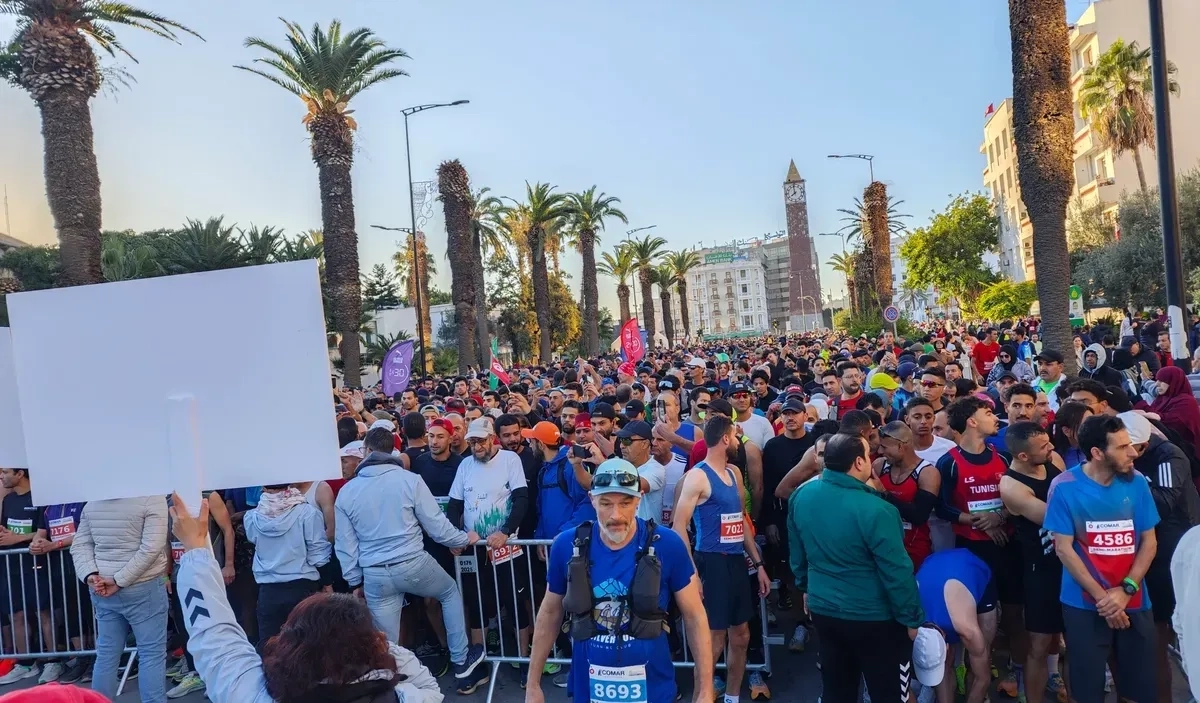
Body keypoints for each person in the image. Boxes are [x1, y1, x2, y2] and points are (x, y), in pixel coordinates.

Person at [167, 494, 444, 703]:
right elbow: (431, 689)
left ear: (292, 645)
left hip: (271, 589)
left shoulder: (254, 694)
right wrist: (381, 647)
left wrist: (195, 550)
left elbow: (214, 639)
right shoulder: (404, 697)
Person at [524, 458, 714, 703]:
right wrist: (532, 685)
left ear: (639, 500)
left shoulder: (667, 544)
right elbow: (549, 613)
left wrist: (705, 690)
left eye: (625, 503)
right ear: (592, 500)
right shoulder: (567, 545)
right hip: (590, 689)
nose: (616, 515)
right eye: (605, 503)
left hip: (652, 688)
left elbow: (695, 617)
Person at [334, 426, 486, 692]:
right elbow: (436, 525)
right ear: (393, 451)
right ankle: (461, 662)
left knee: (386, 640)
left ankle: (390, 687)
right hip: (413, 562)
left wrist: (354, 579)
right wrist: (463, 540)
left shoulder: (348, 491)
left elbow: (345, 544)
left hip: (375, 572)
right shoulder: (409, 480)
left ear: (366, 451)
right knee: (449, 592)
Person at [788, 432, 925, 702]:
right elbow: (897, 571)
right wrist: (911, 617)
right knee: (888, 694)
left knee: (837, 691)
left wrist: (806, 587)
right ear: (860, 463)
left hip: (824, 611)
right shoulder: (878, 509)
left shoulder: (801, 496)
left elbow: (797, 555)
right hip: (875, 618)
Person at [1044, 415, 1160, 703]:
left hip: (1134, 600)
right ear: (1097, 453)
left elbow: (1149, 542)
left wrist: (1126, 590)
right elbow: (1063, 549)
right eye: (1122, 447)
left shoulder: (1137, 484)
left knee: (1138, 690)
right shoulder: (1064, 486)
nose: (1133, 452)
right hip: (1084, 604)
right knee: (1087, 691)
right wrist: (1106, 601)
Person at [672, 416, 771, 703]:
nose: (739, 440)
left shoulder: (734, 474)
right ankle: (702, 697)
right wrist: (691, 574)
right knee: (713, 640)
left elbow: (741, 520)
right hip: (710, 562)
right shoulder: (698, 476)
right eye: (736, 435)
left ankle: (731, 697)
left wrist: (759, 564)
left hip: (736, 561)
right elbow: (679, 527)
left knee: (741, 636)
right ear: (726, 439)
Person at [934, 396, 1027, 697]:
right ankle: (973, 674)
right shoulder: (949, 462)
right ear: (972, 422)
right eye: (988, 412)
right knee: (973, 623)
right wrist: (974, 520)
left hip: (1006, 546)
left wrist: (998, 517)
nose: (994, 416)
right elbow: (941, 508)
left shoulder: (1001, 457)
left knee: (1013, 615)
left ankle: (1017, 671)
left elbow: (1017, 500)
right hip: (971, 552)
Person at [447, 417, 531, 693]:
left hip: (507, 547)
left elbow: (521, 499)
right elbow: (455, 505)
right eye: (472, 442)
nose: (476, 446)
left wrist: (506, 530)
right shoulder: (464, 465)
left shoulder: (509, 460)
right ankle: (479, 664)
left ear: (492, 438)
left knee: (514, 601)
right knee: (477, 604)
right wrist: (457, 535)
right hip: (475, 550)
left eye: (481, 441)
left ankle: (522, 661)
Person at [1121, 411, 1200, 703]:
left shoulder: (1168, 456)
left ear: (1140, 444)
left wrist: (1132, 476)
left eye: (1127, 447)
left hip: (1177, 549)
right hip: (1153, 551)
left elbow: (1164, 502)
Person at [70, 493, 170, 702]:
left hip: (102, 587)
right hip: (142, 586)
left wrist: (90, 575)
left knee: (107, 654)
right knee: (151, 654)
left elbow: (80, 545)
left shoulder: (93, 500)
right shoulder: (153, 498)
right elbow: (152, 548)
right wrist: (119, 580)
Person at [998, 422, 1067, 703]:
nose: (1051, 447)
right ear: (1023, 456)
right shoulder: (1011, 485)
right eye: (1044, 446)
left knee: (1072, 642)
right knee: (1038, 644)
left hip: (1070, 562)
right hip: (1042, 570)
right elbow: (1058, 517)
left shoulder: (1053, 460)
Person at [244, 484, 332, 646]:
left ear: (264, 488)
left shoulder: (251, 518)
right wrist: (327, 582)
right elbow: (318, 553)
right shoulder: (308, 513)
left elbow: (253, 540)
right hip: (302, 587)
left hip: (268, 591)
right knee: (306, 644)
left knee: (270, 645)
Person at [410, 417, 466, 671]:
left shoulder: (462, 465)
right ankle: (444, 646)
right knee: (431, 600)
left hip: (457, 540)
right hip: (428, 542)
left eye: (440, 436)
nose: (434, 441)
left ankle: (463, 648)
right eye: (431, 436)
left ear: (451, 437)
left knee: (462, 595)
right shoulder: (420, 464)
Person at [913, 549, 996, 703]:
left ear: (947, 646)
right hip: (935, 566)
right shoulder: (909, 621)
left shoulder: (967, 630)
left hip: (975, 569)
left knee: (980, 659)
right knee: (944, 665)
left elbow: (983, 678)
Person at [0, 467, 54, 686]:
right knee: (16, 615)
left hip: (36, 564)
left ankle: (53, 661)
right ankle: (25, 663)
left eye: (4, 472)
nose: (1, 477)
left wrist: (17, 539)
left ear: (20, 473)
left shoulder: (41, 497)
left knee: (43, 612)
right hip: (10, 565)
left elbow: (46, 530)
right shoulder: (9, 499)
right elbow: (7, 530)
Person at [874, 421, 940, 571]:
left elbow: (919, 516)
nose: (880, 451)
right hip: (881, 547)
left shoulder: (927, 473)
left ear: (900, 446)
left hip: (913, 549)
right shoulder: (879, 466)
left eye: (884, 447)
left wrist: (884, 493)